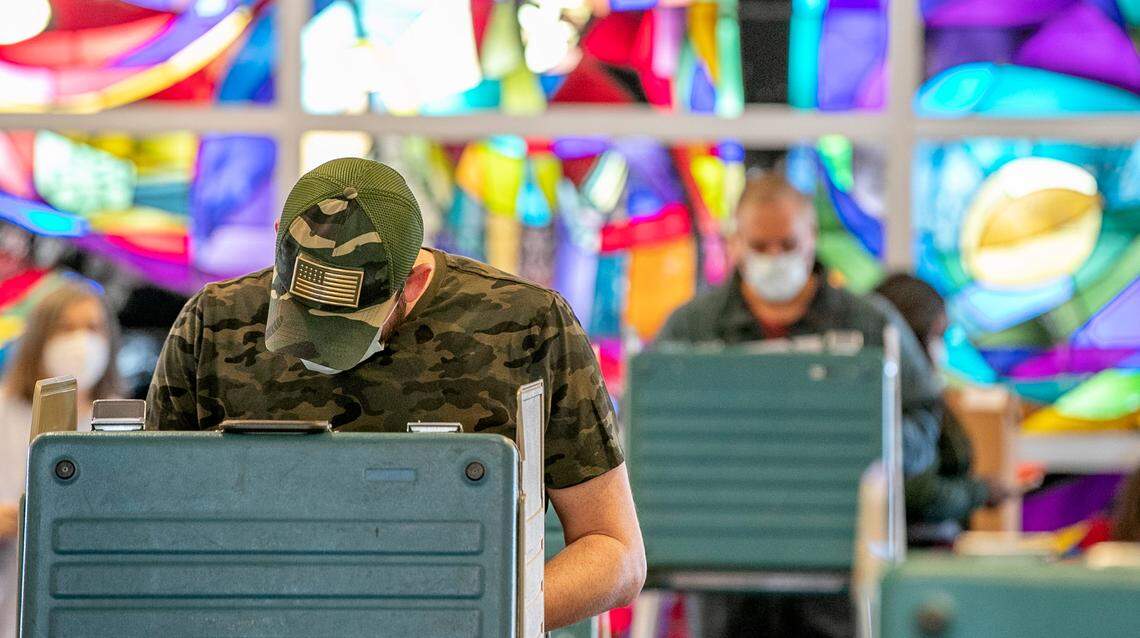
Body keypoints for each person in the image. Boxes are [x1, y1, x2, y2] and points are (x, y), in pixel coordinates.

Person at [146, 158, 646, 629]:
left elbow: (615, 550)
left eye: (346, 327)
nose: (319, 352)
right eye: (299, 317)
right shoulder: (214, 326)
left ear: (414, 280)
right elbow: (142, 530)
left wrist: (481, 616)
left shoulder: (526, 327)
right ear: (281, 244)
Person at [656, 172, 945, 638]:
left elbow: (924, 418)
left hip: (840, 566)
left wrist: (872, 459)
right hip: (722, 568)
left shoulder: (871, 325)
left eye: (787, 244)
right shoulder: (693, 330)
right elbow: (653, 434)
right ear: (736, 243)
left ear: (812, 240)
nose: (774, 258)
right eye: (760, 245)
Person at [0, 281, 122, 638]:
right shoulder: (5, 411)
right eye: (66, 328)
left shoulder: (121, 424)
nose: (82, 342)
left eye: (93, 328)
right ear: (40, 337)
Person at [873, 273, 1003, 535]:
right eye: (937, 335)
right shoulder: (888, 401)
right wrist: (981, 492)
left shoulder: (923, 398)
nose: (941, 350)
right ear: (914, 337)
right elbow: (917, 492)